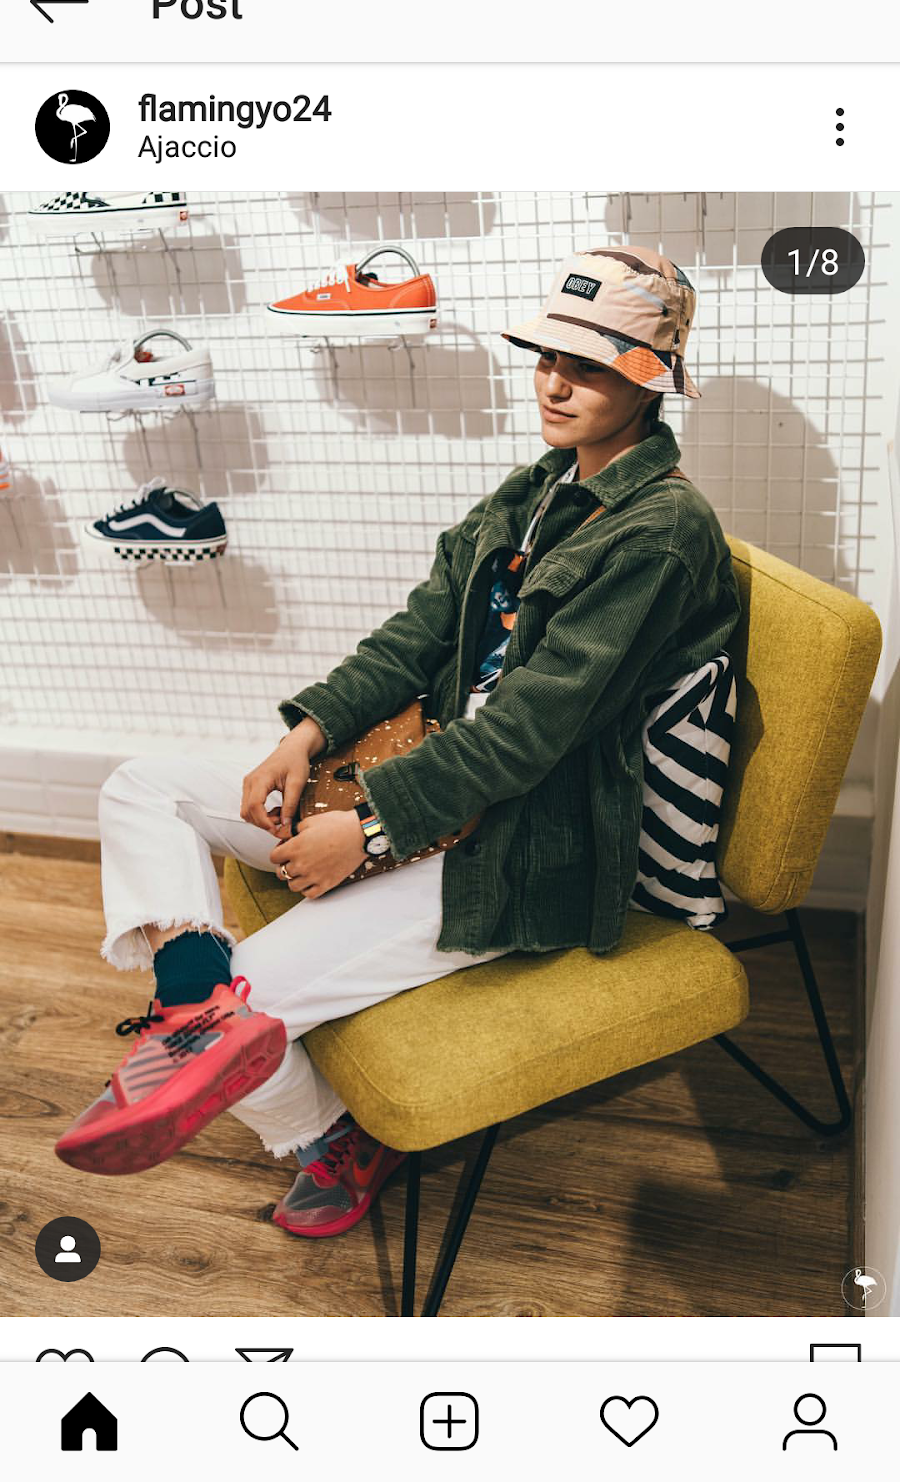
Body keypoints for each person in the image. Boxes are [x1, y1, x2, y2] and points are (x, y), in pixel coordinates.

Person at [55, 245, 741, 1240]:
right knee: (142, 785)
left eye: (588, 367)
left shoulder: (662, 536)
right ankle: (192, 1007)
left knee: (255, 1005)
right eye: (549, 357)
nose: (554, 384)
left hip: (523, 844)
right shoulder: (536, 489)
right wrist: (310, 731)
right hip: (422, 785)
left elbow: (530, 734)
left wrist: (368, 830)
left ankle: (324, 1133)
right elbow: (419, 631)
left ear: (649, 379)